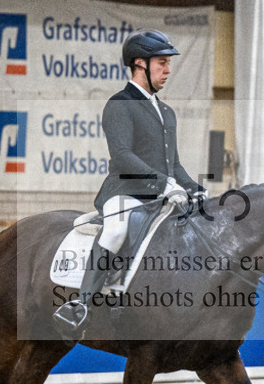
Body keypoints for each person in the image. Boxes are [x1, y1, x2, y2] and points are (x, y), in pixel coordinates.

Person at [54, 29, 206, 337]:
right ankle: (81, 304)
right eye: (161, 63)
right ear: (140, 63)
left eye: (168, 63)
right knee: (117, 227)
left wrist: (193, 187)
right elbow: (122, 156)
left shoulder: (166, 112)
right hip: (123, 192)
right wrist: (163, 184)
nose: (167, 70)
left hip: (160, 196)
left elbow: (173, 163)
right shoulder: (119, 104)